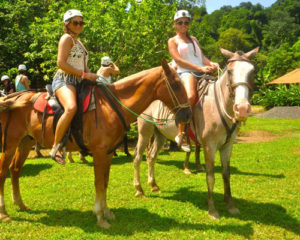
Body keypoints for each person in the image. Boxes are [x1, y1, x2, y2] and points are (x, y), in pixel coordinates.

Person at [49, 9, 98, 164]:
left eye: (81, 23)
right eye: (75, 22)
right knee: (71, 108)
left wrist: (94, 77)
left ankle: (85, 142)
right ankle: (55, 147)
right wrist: (84, 75)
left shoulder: (80, 43)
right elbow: (61, 63)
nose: (79, 25)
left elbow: (85, 67)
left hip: (80, 81)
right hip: (64, 80)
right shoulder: (66, 38)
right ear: (67, 24)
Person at [168, 10, 219, 152]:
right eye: (180, 22)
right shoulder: (173, 41)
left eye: (186, 22)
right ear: (175, 25)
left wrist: (211, 63)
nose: (183, 25)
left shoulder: (194, 39)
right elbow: (178, 60)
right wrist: (200, 68)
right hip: (186, 72)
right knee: (190, 96)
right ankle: (181, 132)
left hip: (201, 70)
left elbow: (202, 58)